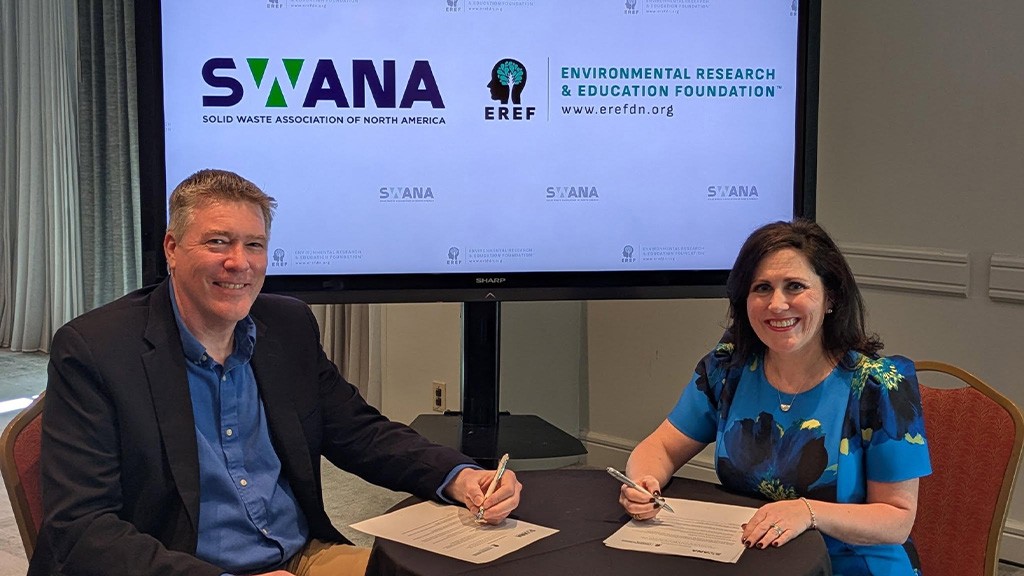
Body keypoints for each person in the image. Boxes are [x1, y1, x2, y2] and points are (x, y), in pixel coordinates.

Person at [30, 169, 522, 576]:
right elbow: (82, 526)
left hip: (300, 557)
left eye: (254, 244)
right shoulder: (96, 349)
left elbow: (360, 433)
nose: (238, 263)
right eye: (217, 242)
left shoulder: (286, 326)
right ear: (172, 248)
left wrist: (459, 476)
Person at [618, 219, 931, 575]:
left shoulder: (879, 384)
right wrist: (643, 482)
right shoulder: (728, 368)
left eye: (795, 286)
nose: (777, 304)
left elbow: (896, 520)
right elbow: (661, 447)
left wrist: (808, 512)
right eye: (762, 288)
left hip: (850, 565)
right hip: (753, 560)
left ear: (831, 297)